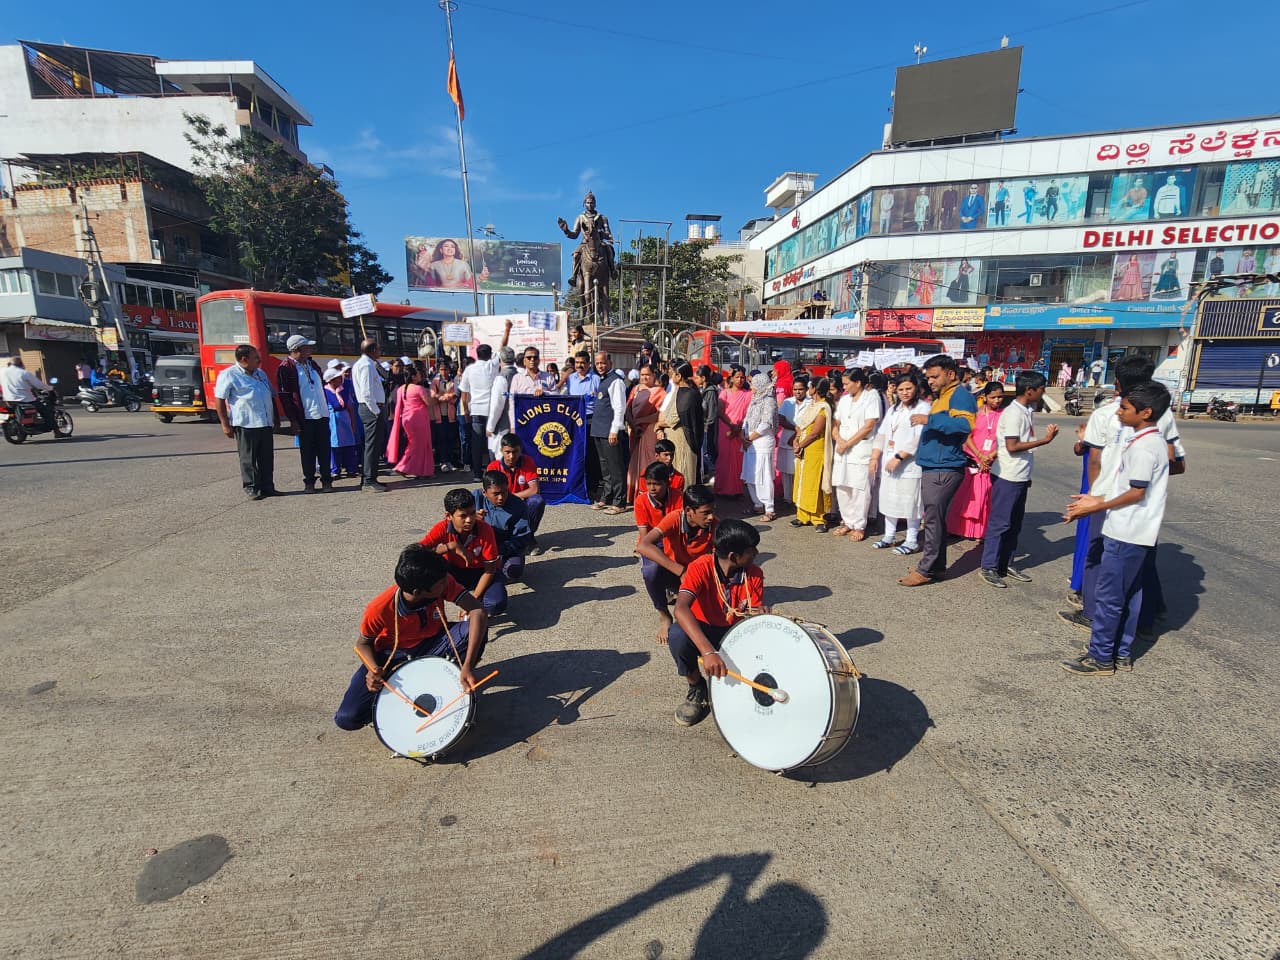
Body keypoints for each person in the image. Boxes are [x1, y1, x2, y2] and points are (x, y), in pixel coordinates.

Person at [1061, 382, 1172, 675]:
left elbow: (1136, 492)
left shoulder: (1145, 448)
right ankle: (1120, 651)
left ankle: (1101, 656)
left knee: (1110, 597)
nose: (1119, 412)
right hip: (1138, 531)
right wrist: (1096, 497)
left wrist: (1094, 507)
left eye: (1125, 408)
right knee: (1130, 594)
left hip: (1126, 531)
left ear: (1145, 412)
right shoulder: (1149, 441)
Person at [333, 544, 488, 732]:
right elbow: (363, 643)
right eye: (440, 584)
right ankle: (391, 706)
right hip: (393, 655)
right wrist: (373, 670)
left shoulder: (442, 581)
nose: (446, 584)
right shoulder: (379, 609)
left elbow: (477, 611)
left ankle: (456, 678)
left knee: (476, 627)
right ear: (418, 592)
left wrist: (468, 666)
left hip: (435, 643)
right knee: (347, 718)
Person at [665, 519, 765, 727]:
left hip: (736, 632)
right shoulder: (700, 568)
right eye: (751, 550)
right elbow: (681, 609)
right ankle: (697, 686)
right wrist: (708, 652)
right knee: (677, 635)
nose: (755, 554)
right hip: (705, 631)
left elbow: (752, 615)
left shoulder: (753, 574)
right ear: (733, 557)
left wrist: (761, 616)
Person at [899, 355, 976, 586]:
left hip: (944, 467)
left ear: (950, 374)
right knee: (936, 520)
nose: (930, 381)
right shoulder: (944, 396)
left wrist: (928, 420)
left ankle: (926, 569)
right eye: (928, 377)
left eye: (935, 376)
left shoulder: (959, 395)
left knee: (932, 520)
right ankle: (937, 567)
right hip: (936, 465)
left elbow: (966, 425)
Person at [979, 372, 1059, 588]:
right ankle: (989, 566)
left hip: (1021, 475)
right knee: (1000, 523)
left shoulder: (1027, 410)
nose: (1044, 392)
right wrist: (1044, 440)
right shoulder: (1013, 413)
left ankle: (1006, 563)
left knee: (1014, 524)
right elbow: (1012, 446)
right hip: (1008, 476)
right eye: (1042, 388)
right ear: (1030, 391)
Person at [636, 483, 717, 645]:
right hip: (675, 573)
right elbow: (643, 545)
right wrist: (681, 571)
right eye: (705, 513)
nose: (711, 517)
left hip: (697, 577)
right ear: (688, 511)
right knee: (650, 571)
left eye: (712, 511)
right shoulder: (674, 518)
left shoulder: (714, 525)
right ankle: (665, 615)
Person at [419, 488, 508, 617]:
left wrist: (473, 600)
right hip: (454, 572)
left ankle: (479, 600)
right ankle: (434, 614)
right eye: (463, 516)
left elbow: (490, 570)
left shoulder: (485, 529)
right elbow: (416, 552)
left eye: (472, 513)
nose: (469, 520)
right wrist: (450, 546)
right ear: (448, 516)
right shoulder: (442, 527)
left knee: (495, 605)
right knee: (424, 573)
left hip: (481, 572)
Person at [870, 375, 929, 553]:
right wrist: (874, 457)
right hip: (888, 461)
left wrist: (899, 457)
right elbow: (881, 434)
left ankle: (911, 540)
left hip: (909, 464)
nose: (904, 393)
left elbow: (919, 438)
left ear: (916, 388)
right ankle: (889, 535)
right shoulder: (894, 409)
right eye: (901, 389)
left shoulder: (923, 408)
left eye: (908, 388)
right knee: (889, 499)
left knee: (910, 502)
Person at [213, 345, 278, 500]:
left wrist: (275, 417)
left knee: (266, 458)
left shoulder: (260, 373)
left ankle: (267, 486)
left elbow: (271, 395)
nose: (259, 360)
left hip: (265, 422)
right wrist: (225, 424)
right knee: (248, 459)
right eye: (255, 357)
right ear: (244, 359)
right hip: (246, 424)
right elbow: (220, 399)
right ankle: (252, 487)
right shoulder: (229, 375)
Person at [947, 381, 1004, 539]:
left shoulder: (1004, 416)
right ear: (985, 397)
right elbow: (967, 437)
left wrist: (991, 456)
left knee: (986, 496)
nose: (997, 400)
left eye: (1000, 397)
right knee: (966, 494)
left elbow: (1007, 440)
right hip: (973, 459)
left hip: (993, 460)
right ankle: (959, 529)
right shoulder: (976, 414)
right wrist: (979, 456)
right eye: (993, 397)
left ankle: (982, 531)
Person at [277, 334, 333, 493]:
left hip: (321, 414)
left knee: (324, 449)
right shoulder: (285, 368)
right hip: (305, 418)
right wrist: (293, 420)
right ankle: (309, 482)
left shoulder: (312, 364)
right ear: (296, 349)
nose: (310, 349)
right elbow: (285, 397)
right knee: (307, 452)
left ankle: (326, 480)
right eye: (307, 347)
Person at [830, 368, 881, 540]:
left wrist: (848, 443)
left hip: (860, 450)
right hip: (842, 450)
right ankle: (847, 522)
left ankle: (859, 525)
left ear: (858, 382)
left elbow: (869, 425)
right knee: (843, 488)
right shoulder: (844, 400)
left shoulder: (871, 398)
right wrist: (838, 439)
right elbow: (835, 422)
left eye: (846, 384)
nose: (844, 387)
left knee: (860, 489)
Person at [458, 326, 508, 480]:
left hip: (476, 411)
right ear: (489, 355)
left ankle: (477, 474)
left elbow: (464, 393)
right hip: (492, 411)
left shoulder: (469, 370)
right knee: (493, 443)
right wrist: (506, 330)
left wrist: (465, 410)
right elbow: (503, 347)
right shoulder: (492, 365)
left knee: (477, 445)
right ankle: (494, 472)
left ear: (477, 355)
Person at [488, 433, 546, 553]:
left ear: (521, 450)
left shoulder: (527, 462)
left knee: (537, 500)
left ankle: (528, 537)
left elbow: (534, 489)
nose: (511, 456)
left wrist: (512, 498)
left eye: (515, 452)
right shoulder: (493, 467)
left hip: (520, 504)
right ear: (501, 450)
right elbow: (489, 495)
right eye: (507, 452)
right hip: (501, 506)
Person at [588, 350, 629, 515]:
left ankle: (620, 502)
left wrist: (614, 430)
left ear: (610, 363)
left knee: (616, 467)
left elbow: (619, 407)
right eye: (597, 363)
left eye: (603, 363)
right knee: (605, 468)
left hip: (609, 431)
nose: (600, 366)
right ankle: (606, 497)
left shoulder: (616, 382)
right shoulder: (602, 380)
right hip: (598, 430)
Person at [474, 470, 532, 583]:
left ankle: (496, 569)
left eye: (504, 492)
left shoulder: (518, 506)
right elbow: (453, 520)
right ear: (484, 493)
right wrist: (471, 518)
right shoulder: (475, 498)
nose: (501, 497)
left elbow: (522, 538)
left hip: (504, 548)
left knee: (514, 570)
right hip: (477, 547)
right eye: (496, 494)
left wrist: (498, 550)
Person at [790, 377, 833, 530]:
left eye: (809, 386)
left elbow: (815, 433)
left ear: (814, 388)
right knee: (802, 482)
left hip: (815, 450)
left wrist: (799, 445)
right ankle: (802, 516)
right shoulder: (812, 406)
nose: (808, 389)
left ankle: (818, 518)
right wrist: (796, 440)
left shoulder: (823, 408)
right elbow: (801, 427)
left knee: (814, 483)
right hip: (804, 449)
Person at [385, 361, 436, 478]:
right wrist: (437, 398)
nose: (420, 376)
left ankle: (412, 468)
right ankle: (410, 468)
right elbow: (428, 403)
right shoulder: (419, 389)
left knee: (413, 445)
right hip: (420, 419)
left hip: (407, 419)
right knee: (422, 445)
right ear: (413, 376)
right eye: (417, 374)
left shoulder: (401, 389)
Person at [739, 373, 779, 522]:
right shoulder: (755, 399)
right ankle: (757, 504)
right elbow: (747, 419)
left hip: (762, 442)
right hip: (751, 442)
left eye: (753, 384)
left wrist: (749, 437)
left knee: (763, 475)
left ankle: (769, 508)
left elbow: (766, 424)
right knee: (750, 474)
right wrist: (744, 434)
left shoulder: (769, 401)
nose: (751, 387)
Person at [655, 362, 703, 486]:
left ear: (679, 375)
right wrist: (660, 427)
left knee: (683, 473)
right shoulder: (678, 390)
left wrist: (658, 425)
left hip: (683, 440)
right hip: (673, 438)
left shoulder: (688, 394)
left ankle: (685, 503)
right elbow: (667, 412)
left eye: (672, 372)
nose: (670, 374)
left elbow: (672, 418)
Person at [625, 364, 666, 502]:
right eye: (642, 375)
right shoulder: (635, 389)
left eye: (647, 375)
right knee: (634, 462)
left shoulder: (659, 391)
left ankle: (647, 494)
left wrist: (640, 421)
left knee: (647, 462)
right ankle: (634, 494)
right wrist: (633, 424)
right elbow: (628, 409)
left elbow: (658, 414)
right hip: (635, 430)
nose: (644, 377)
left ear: (654, 375)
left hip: (649, 431)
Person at [351, 339, 388, 492]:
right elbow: (367, 392)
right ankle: (368, 480)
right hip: (371, 409)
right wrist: (376, 411)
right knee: (372, 446)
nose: (380, 351)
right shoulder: (366, 365)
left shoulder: (364, 364)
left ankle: (371, 477)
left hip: (370, 408)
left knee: (373, 444)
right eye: (378, 349)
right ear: (373, 350)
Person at [714, 366, 751, 496]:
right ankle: (721, 489)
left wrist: (738, 427)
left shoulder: (748, 394)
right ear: (731, 378)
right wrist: (731, 425)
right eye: (737, 377)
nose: (740, 380)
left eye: (742, 377)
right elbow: (720, 411)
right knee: (723, 459)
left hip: (740, 431)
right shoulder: (724, 393)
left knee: (738, 460)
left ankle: (736, 490)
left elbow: (748, 414)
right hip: (725, 429)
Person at [634, 461, 683, 547]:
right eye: (649, 484)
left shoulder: (679, 497)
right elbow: (644, 535)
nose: (652, 488)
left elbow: (681, 527)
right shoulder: (640, 501)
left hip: (675, 540)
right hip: (652, 541)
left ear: (667, 483)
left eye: (657, 484)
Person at [1, 355, 56, 431]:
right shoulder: (24, 373)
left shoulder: (2, 371)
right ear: (21, 364)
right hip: (26, 400)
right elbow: (39, 385)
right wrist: (51, 388)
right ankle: (52, 428)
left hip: (9, 400)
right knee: (46, 411)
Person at [324, 367, 360, 478]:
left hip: (345, 420)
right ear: (330, 380)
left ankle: (351, 468)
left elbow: (350, 408)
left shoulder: (343, 391)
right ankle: (335, 470)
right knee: (335, 447)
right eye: (337, 378)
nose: (340, 380)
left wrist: (353, 423)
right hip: (333, 422)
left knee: (349, 445)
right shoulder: (324, 392)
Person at [485, 346, 519, 459]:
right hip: (518, 424)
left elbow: (497, 405)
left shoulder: (501, 378)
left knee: (503, 459)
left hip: (503, 427)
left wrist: (490, 427)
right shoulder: (519, 376)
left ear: (500, 361)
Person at [776, 373, 804, 506]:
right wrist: (795, 428)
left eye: (800, 389)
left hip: (803, 441)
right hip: (787, 439)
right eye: (795, 389)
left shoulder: (811, 403)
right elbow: (780, 420)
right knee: (786, 472)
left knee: (799, 471)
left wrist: (799, 432)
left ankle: (798, 497)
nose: (798, 392)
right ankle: (788, 497)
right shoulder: (787, 402)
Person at [429, 361, 461, 471]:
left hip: (450, 414)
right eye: (442, 370)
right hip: (439, 415)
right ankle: (443, 461)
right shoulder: (435, 382)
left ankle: (450, 461)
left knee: (450, 438)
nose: (444, 372)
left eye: (446, 369)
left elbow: (455, 395)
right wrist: (446, 397)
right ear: (438, 370)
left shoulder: (453, 381)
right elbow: (433, 395)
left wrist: (443, 397)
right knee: (441, 439)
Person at [694, 365, 720, 481]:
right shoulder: (701, 390)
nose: (696, 380)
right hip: (702, 426)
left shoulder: (710, 392)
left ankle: (714, 472)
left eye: (697, 377)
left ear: (703, 378)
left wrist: (707, 426)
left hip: (707, 427)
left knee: (706, 451)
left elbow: (712, 412)